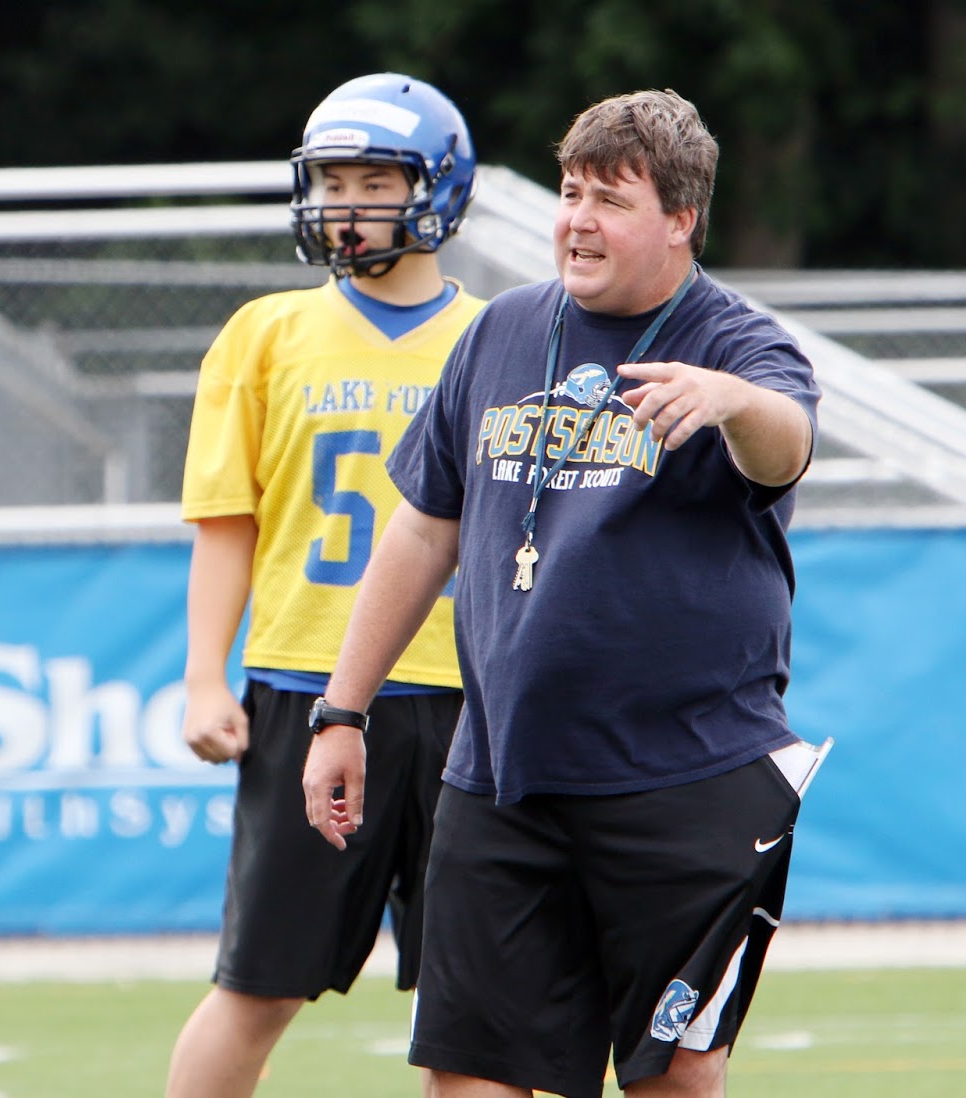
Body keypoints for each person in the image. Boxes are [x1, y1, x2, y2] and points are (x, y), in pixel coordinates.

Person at [302, 89, 832, 1098]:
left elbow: (786, 445)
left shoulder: (736, 343)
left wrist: (729, 401)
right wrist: (342, 711)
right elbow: (422, 528)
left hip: (683, 781)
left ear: (679, 220)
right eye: (569, 193)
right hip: (502, 778)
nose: (577, 221)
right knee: (467, 1081)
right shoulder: (501, 331)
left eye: (610, 201)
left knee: (671, 1081)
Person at [166, 74, 485, 1098]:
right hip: (308, 685)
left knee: (480, 1007)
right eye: (332, 182)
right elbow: (227, 522)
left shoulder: (499, 338)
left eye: (374, 182)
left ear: (435, 189)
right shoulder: (264, 333)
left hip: (466, 697)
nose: (346, 205)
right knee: (258, 986)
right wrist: (203, 677)